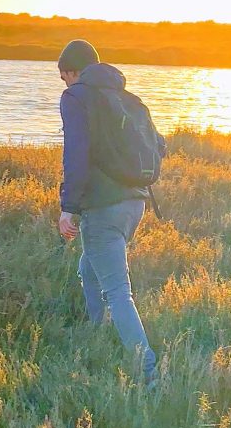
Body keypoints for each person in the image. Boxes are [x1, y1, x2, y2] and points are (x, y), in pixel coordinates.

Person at [56, 39, 161, 387]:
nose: (65, 85)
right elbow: (159, 145)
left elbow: (76, 154)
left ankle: (150, 375)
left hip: (103, 207)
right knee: (89, 267)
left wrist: (68, 208)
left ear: (72, 72)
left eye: (64, 78)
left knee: (118, 291)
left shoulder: (77, 97)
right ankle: (96, 334)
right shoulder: (128, 99)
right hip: (136, 203)